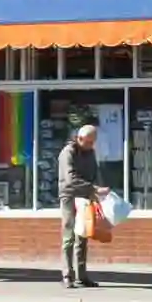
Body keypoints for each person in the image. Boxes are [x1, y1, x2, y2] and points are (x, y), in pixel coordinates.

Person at [58, 124, 105, 289]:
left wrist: (98, 188)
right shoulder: (68, 152)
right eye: (88, 142)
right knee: (69, 235)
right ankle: (67, 275)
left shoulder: (90, 152)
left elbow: (95, 171)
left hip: (85, 196)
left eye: (93, 142)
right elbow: (70, 178)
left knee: (83, 235)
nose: (91, 146)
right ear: (79, 138)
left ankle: (81, 275)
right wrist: (93, 188)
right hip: (69, 196)